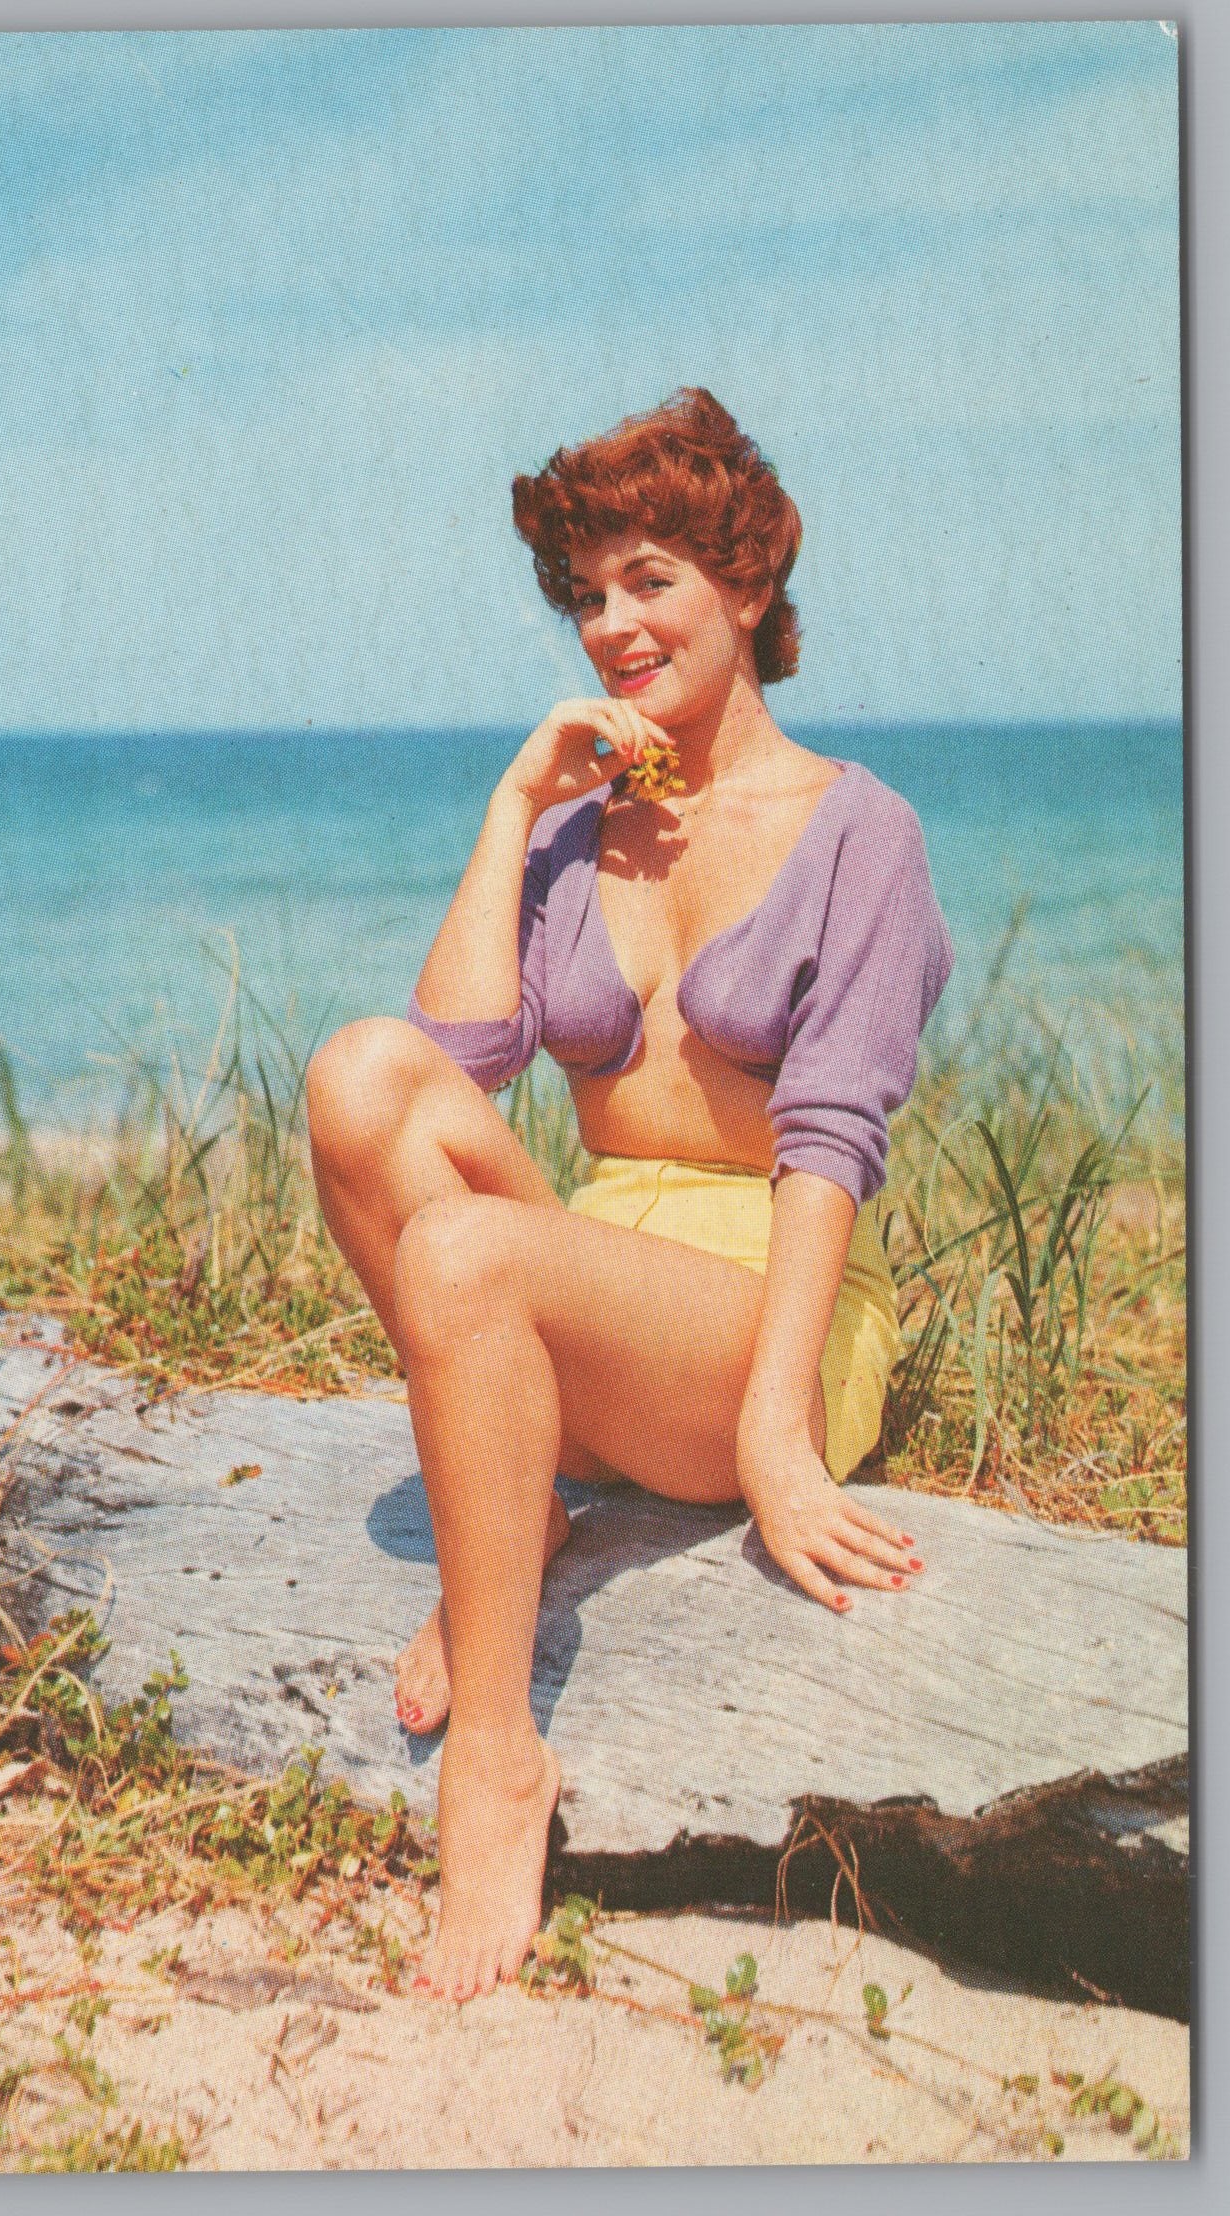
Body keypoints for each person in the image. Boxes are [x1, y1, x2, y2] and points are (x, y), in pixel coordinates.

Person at [305, 389, 954, 2001]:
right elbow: (456, 1057)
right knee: (354, 1074)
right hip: (593, 1283)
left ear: (747, 585)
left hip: (769, 1312)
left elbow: (828, 1146)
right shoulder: (586, 824)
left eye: (650, 577)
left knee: (466, 1251)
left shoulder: (859, 829)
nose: (612, 624)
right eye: (587, 592)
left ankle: (499, 1763)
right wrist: (519, 804)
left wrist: (775, 1431)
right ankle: (515, 1497)